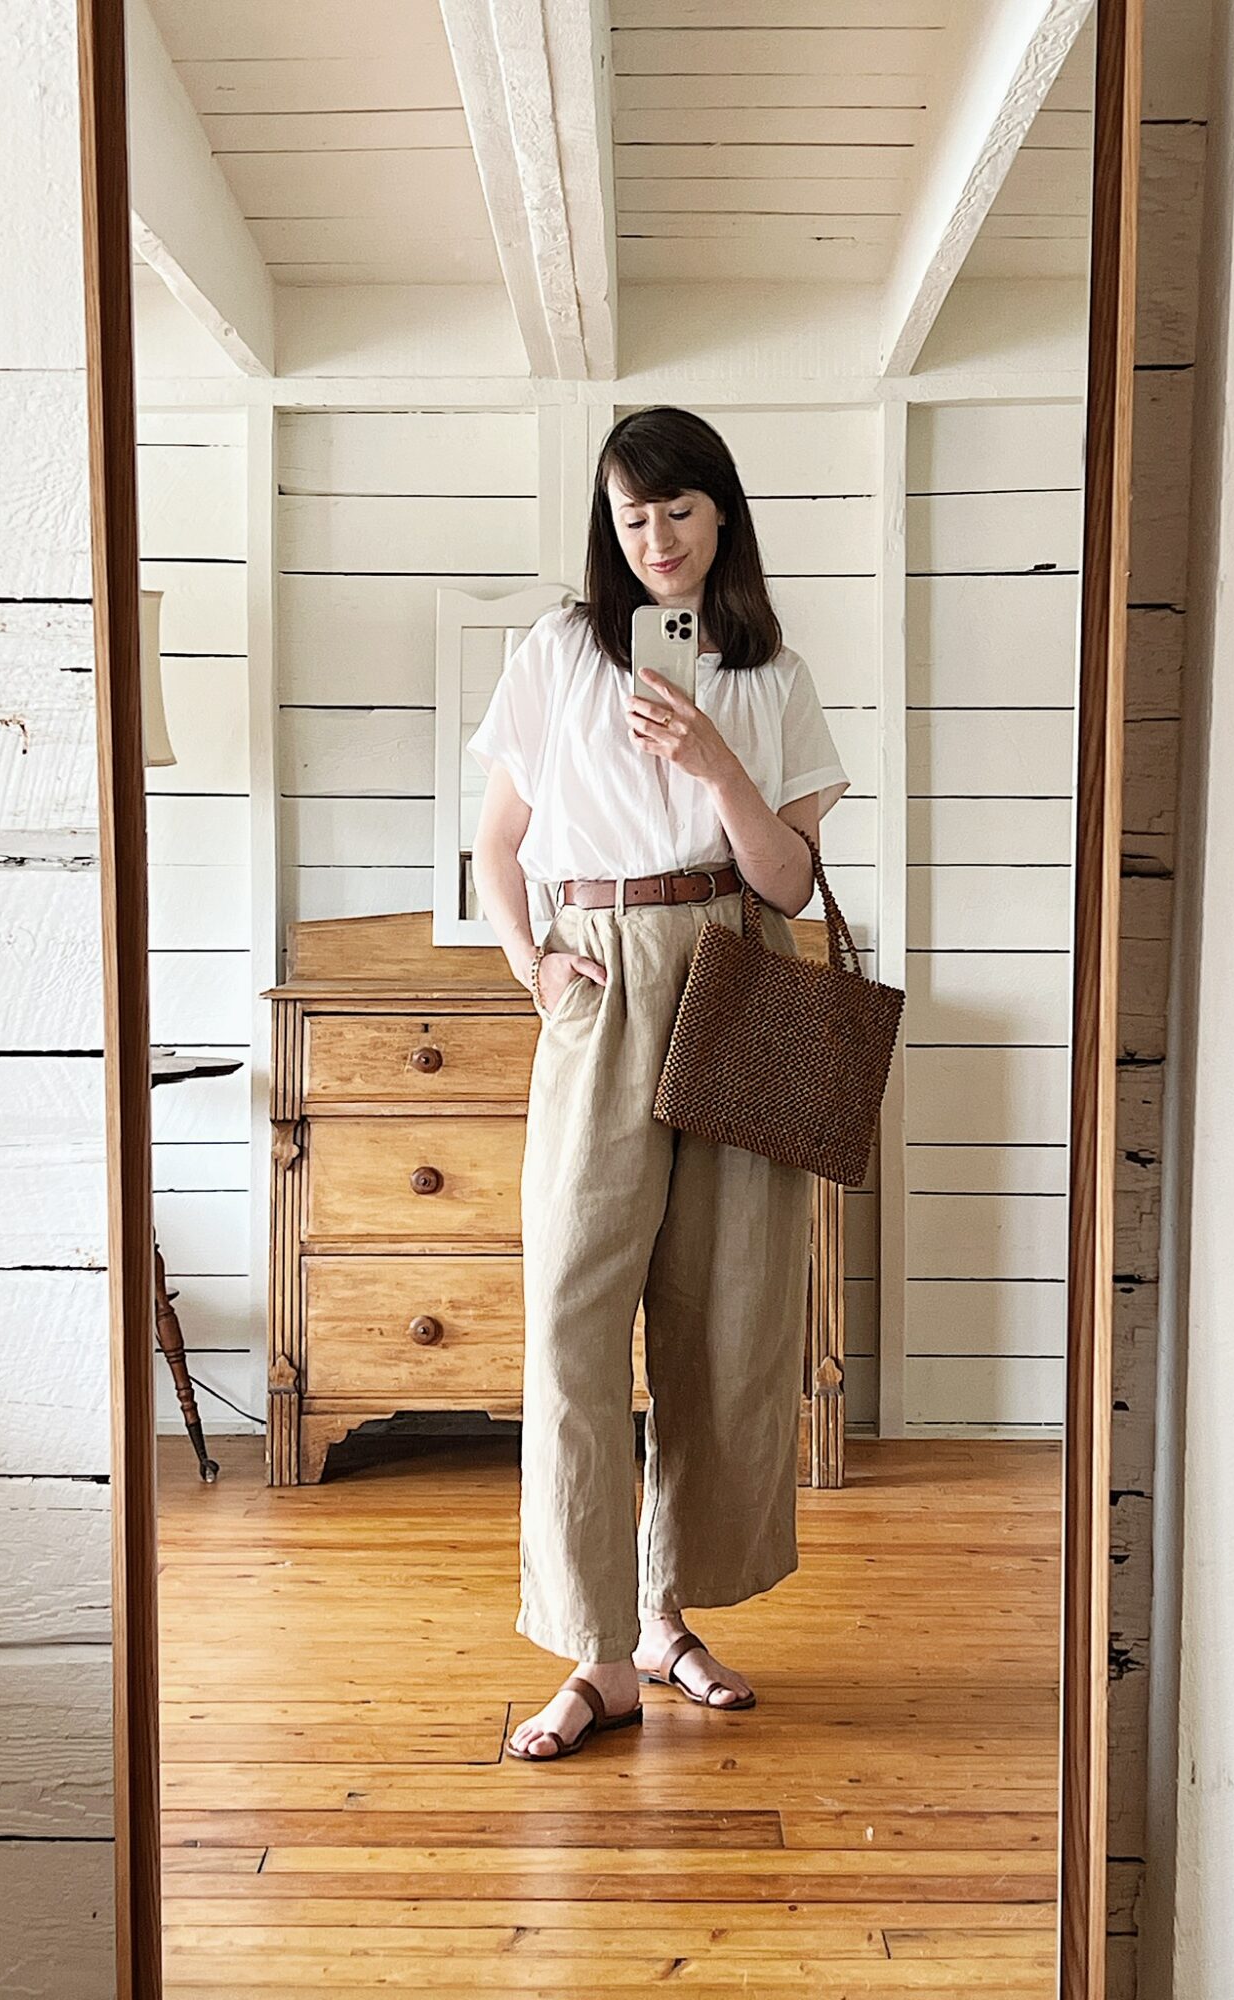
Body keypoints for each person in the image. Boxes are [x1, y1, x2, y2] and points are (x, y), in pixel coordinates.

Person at [467, 405, 851, 1762]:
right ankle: (594, 1655)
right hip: (602, 971)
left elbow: (791, 881)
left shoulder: (771, 672)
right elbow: (498, 844)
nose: (657, 540)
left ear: (722, 515)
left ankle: (665, 1617)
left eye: (679, 511)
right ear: (608, 530)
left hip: (739, 965)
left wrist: (716, 761)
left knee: (726, 1310)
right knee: (574, 1308)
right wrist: (533, 969)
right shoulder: (560, 653)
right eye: (632, 518)